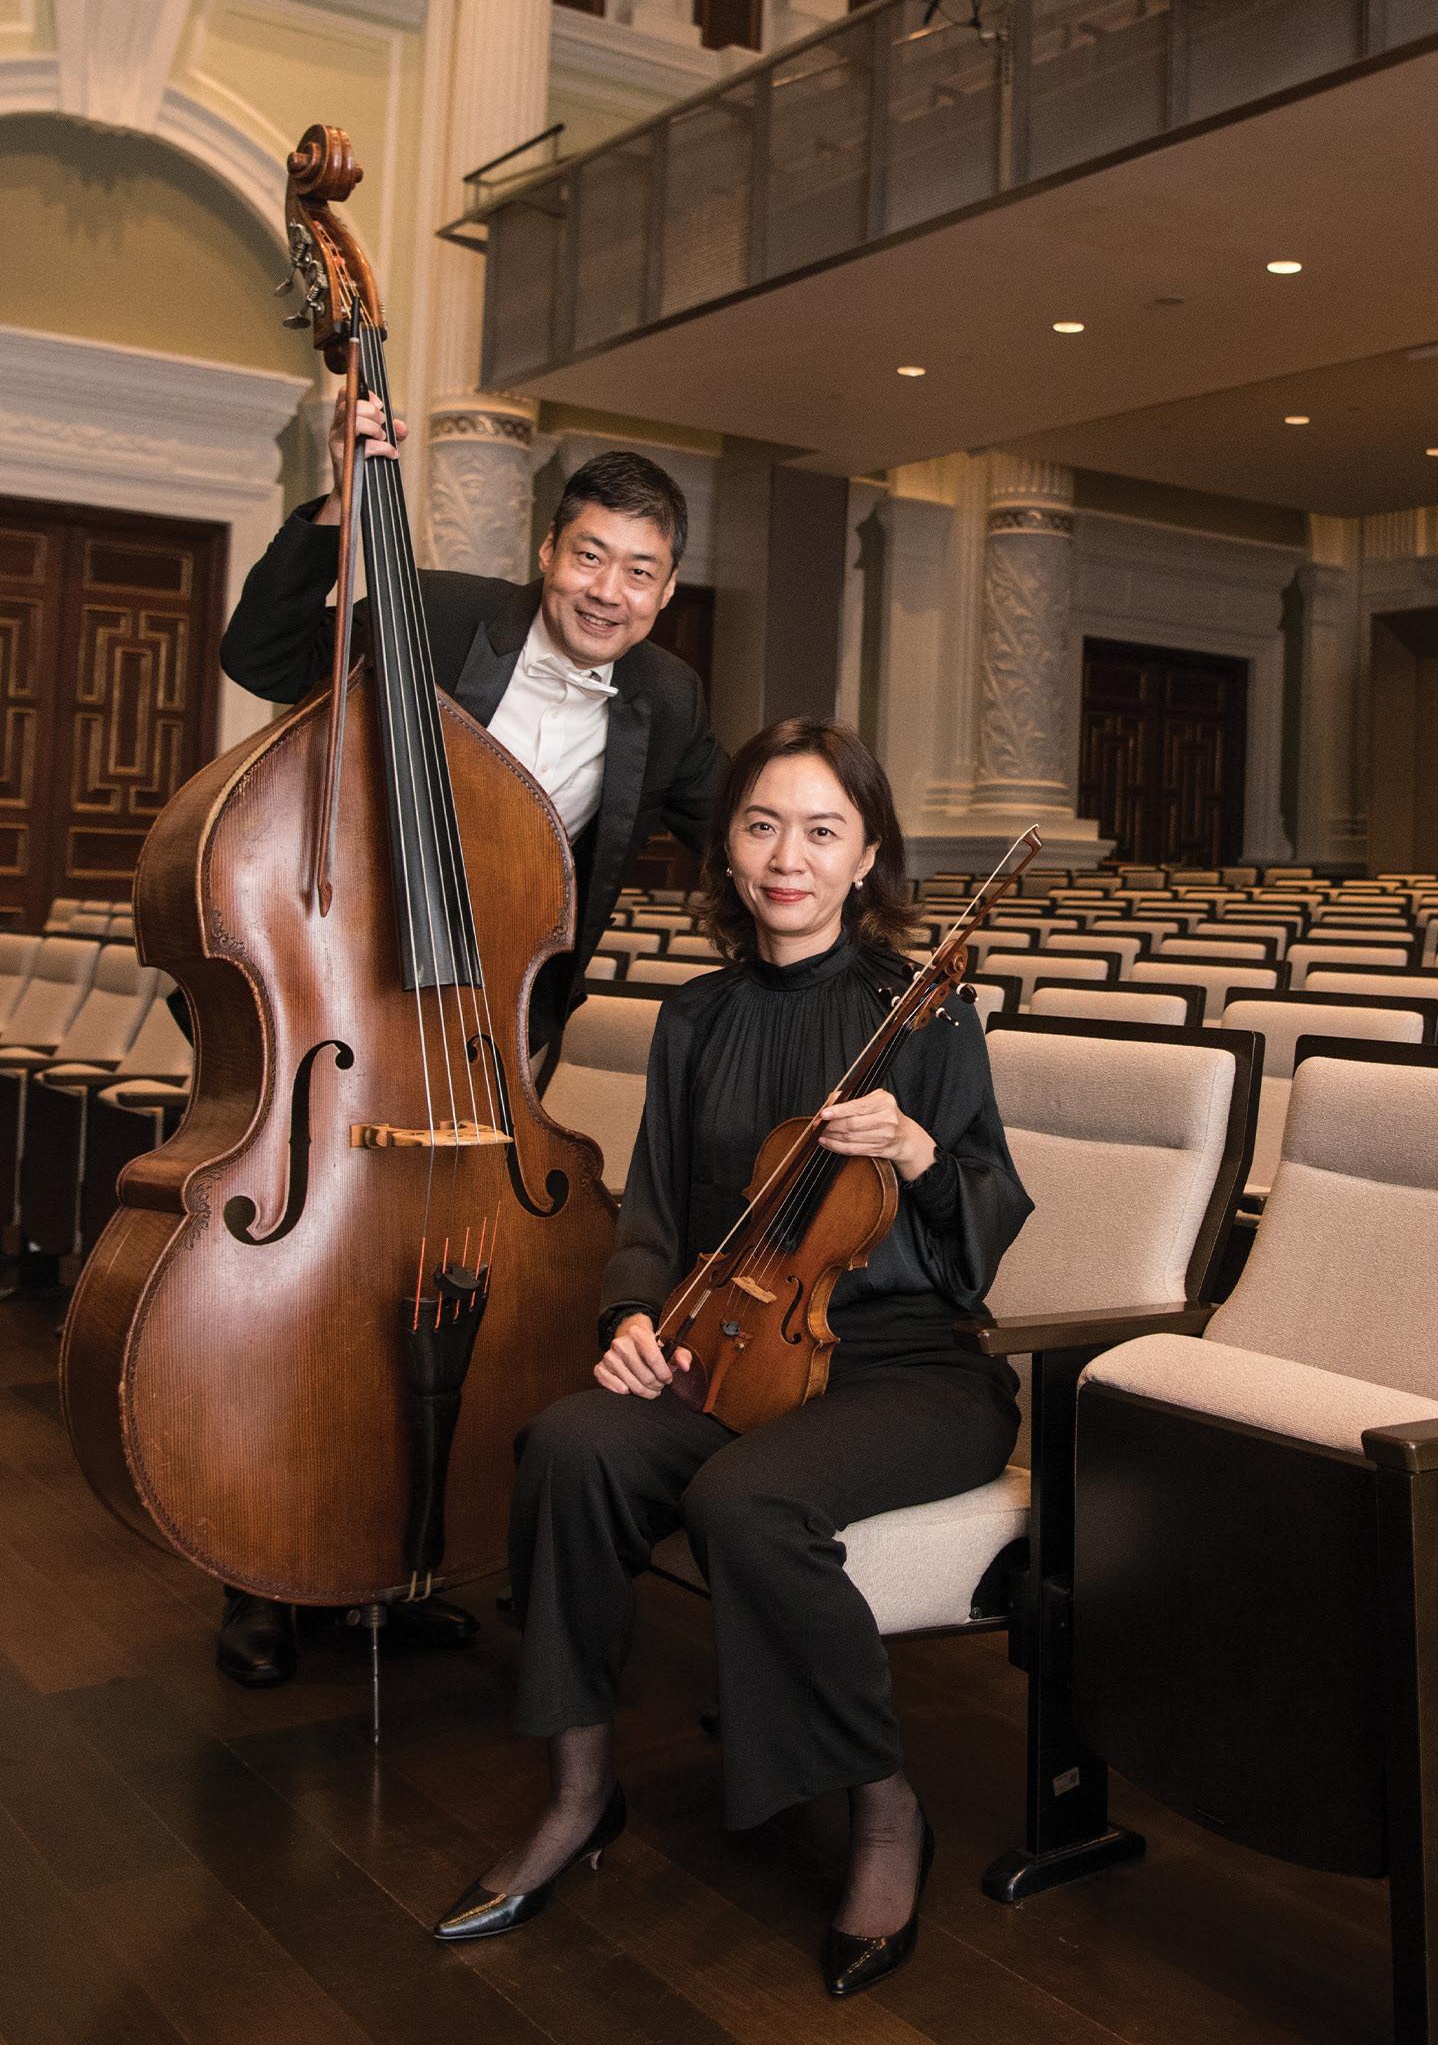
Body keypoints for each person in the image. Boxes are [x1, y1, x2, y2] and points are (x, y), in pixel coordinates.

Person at [432, 718, 1033, 1999]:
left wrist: (920, 1153)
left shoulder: (925, 1015)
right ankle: (578, 1792)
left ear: (866, 855)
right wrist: (631, 1317)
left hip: (909, 1366)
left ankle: (882, 1805)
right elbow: (654, 1212)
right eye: (761, 825)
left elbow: (979, 1240)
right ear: (726, 848)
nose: (786, 857)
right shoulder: (696, 1015)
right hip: (739, 1347)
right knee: (571, 1445)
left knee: (743, 1498)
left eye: (820, 830)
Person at [210, 382, 726, 1690]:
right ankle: (261, 1568)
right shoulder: (437, 613)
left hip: (496, 1035)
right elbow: (262, 655)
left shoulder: (666, 694)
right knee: (310, 1287)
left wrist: (850, 883)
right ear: (549, 550)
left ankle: (403, 1557)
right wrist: (337, 508)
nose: (610, 589)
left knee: (438, 1286)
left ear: (667, 591)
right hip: (347, 1003)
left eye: (641, 571)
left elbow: (736, 824)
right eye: (592, 555)